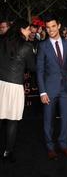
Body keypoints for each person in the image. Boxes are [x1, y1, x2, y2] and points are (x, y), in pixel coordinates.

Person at [36, 13, 67, 160]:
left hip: (66, 88)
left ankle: (63, 145)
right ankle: (50, 147)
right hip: (49, 89)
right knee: (48, 120)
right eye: (47, 27)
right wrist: (42, 92)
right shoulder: (42, 45)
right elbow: (40, 70)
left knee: (66, 119)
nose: (50, 30)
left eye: (53, 26)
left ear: (59, 26)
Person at [0, 19, 35, 163]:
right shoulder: (26, 46)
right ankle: (8, 152)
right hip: (14, 86)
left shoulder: (2, 41)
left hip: (0, 83)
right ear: (21, 29)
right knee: (12, 121)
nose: (30, 31)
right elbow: (33, 67)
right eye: (28, 29)